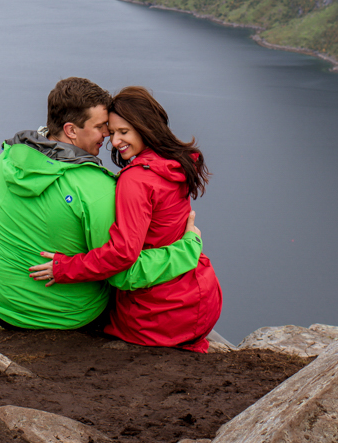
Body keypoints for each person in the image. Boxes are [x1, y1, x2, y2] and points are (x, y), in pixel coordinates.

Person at [0, 77, 202, 330]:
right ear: (71, 130)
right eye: (100, 126)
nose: (107, 135)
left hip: (4, 310)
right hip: (75, 318)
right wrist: (186, 248)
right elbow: (122, 269)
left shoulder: (5, 161)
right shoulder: (97, 190)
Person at [28, 86, 222, 351]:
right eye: (111, 131)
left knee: (87, 309)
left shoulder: (136, 179)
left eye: (124, 132)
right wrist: (190, 243)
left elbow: (123, 255)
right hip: (201, 299)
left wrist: (65, 268)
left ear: (145, 128)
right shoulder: (175, 163)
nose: (115, 141)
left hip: (159, 316)